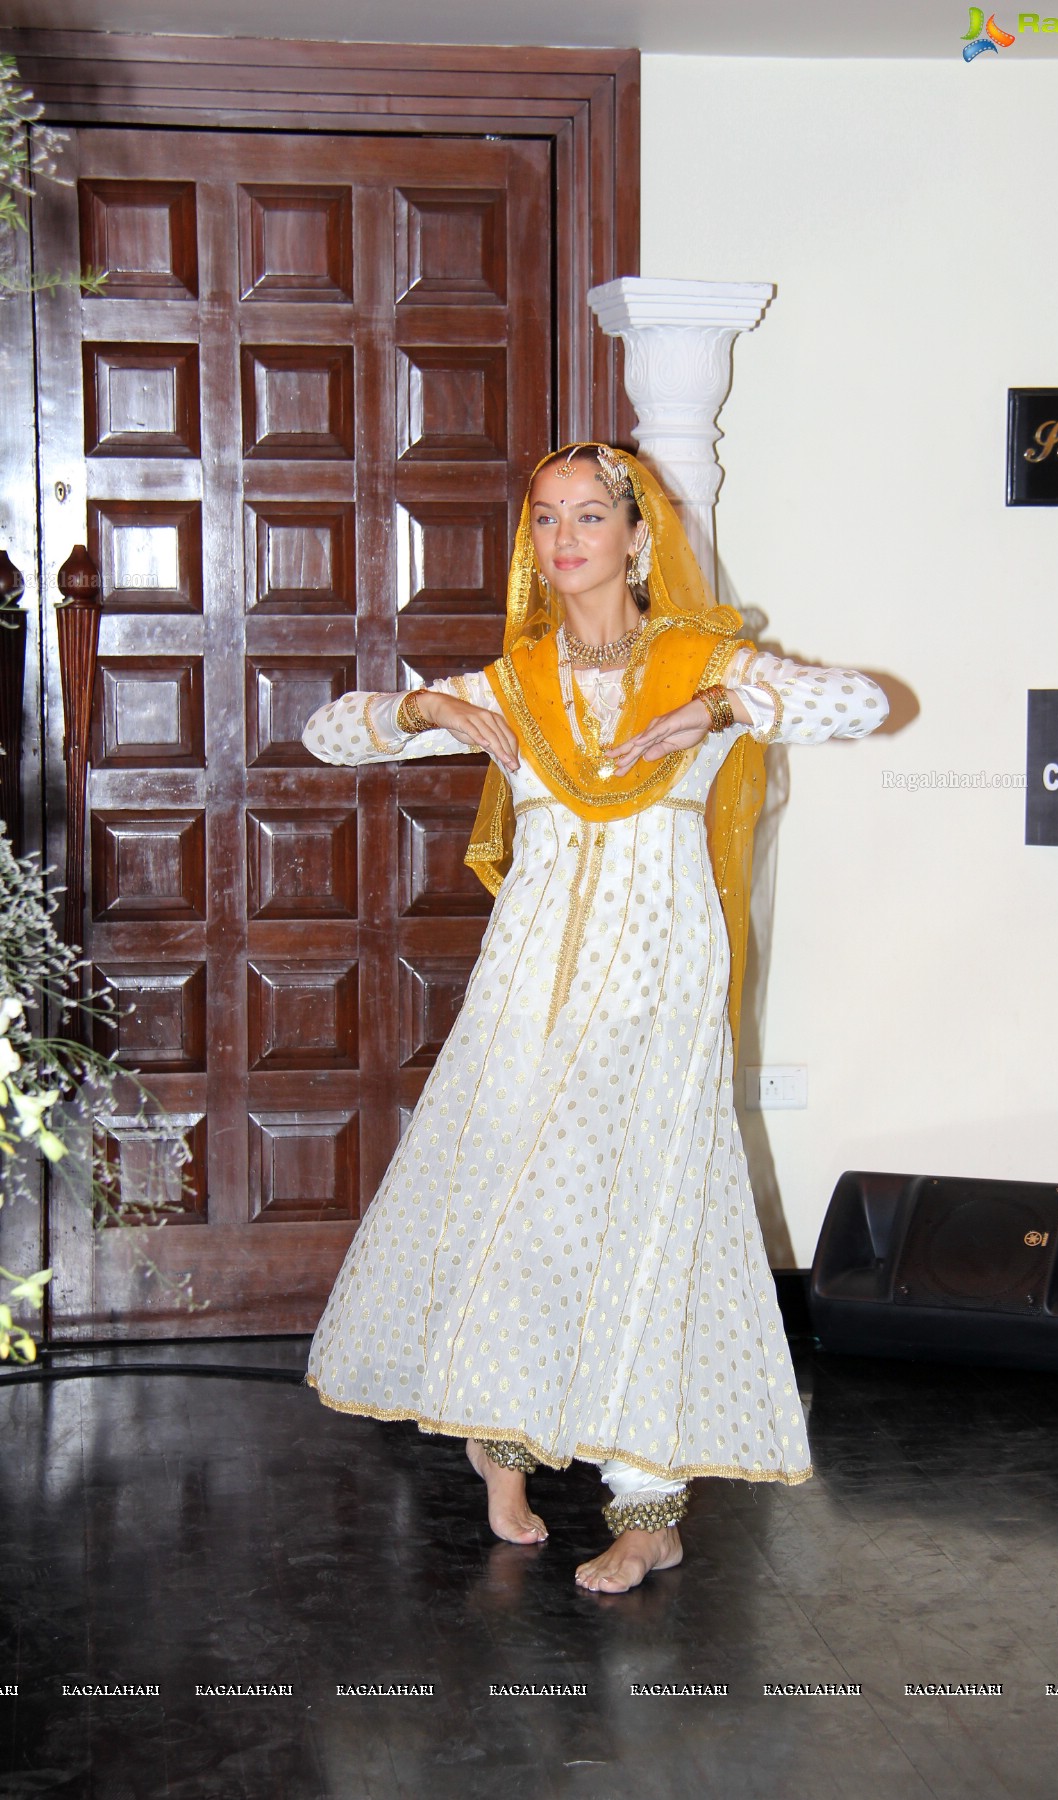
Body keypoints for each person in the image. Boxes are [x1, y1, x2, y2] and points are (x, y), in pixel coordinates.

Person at [302, 443, 888, 1593]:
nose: (566, 538)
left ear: (635, 535)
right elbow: (332, 733)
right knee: (517, 1207)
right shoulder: (511, 682)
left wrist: (718, 704)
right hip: (529, 986)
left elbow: (860, 703)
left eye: (589, 516)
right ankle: (502, 1444)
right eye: (546, 519)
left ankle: (649, 1509)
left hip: (657, 986)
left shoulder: (696, 659)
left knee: (647, 1218)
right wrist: (425, 707)